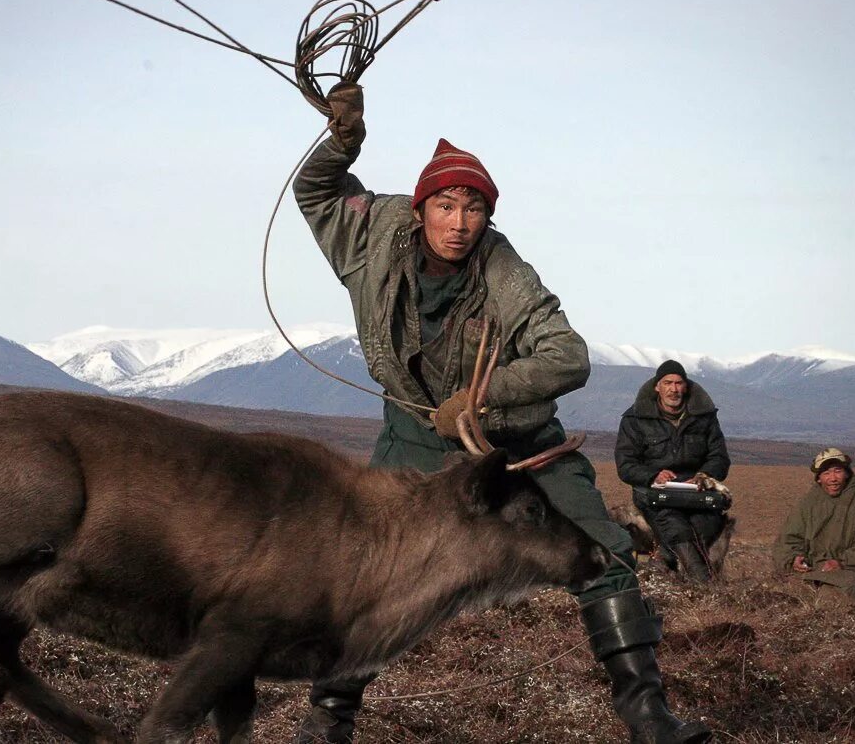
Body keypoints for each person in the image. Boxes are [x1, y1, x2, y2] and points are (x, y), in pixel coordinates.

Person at [291, 83, 710, 744]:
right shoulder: (370, 235)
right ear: (422, 206)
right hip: (415, 437)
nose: (459, 223)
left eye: (474, 209)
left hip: (518, 443)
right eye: (446, 205)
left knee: (602, 552)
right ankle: (328, 718)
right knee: (367, 565)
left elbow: (566, 357)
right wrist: (341, 142)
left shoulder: (505, 272)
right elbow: (315, 192)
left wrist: (484, 396)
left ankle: (647, 714)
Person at [614, 360, 731, 582]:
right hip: (655, 494)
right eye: (667, 383)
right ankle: (704, 587)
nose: (673, 389)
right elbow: (626, 465)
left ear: (686, 386)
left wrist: (703, 476)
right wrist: (652, 475)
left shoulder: (705, 416)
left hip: (698, 492)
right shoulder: (635, 419)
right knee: (675, 527)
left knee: (704, 524)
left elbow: (720, 458)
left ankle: (667, 561)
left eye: (679, 383)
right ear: (657, 386)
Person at [772, 448, 855, 604]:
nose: (833, 478)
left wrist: (842, 562)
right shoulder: (809, 501)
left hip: (851, 570)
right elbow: (789, 538)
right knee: (788, 592)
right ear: (818, 478)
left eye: (837, 471)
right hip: (813, 570)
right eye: (826, 473)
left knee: (832, 595)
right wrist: (794, 559)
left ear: (846, 473)